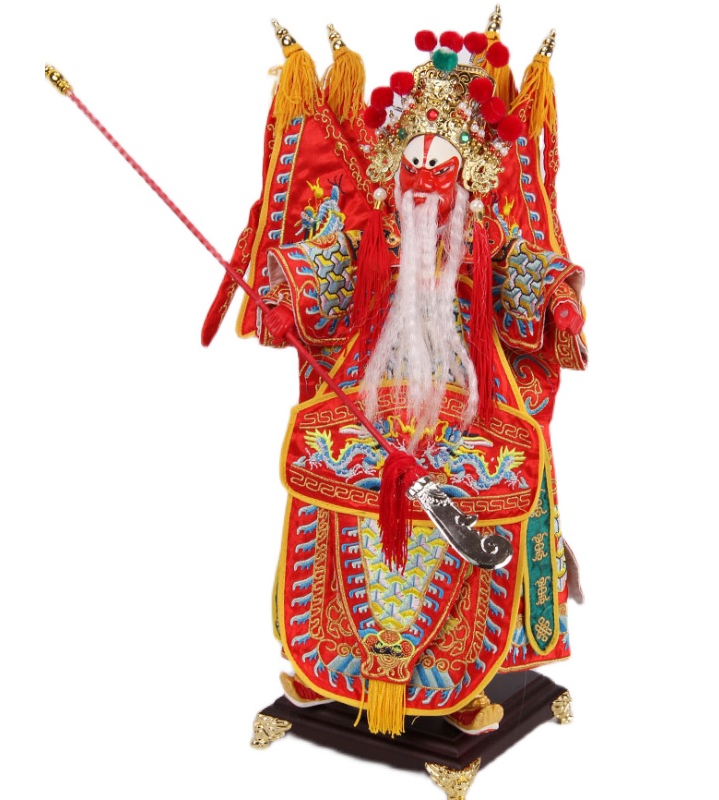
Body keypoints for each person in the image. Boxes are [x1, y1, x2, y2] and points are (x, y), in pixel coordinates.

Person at [203, 21, 587, 737]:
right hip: (370, 400)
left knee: (477, 501)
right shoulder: (375, 238)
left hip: (470, 406)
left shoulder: (484, 240)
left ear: (467, 173)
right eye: (412, 162)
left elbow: (522, 272)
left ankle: (464, 682)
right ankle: (333, 665)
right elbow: (329, 262)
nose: (423, 178)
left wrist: (555, 299)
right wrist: (288, 296)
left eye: (438, 165)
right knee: (334, 482)